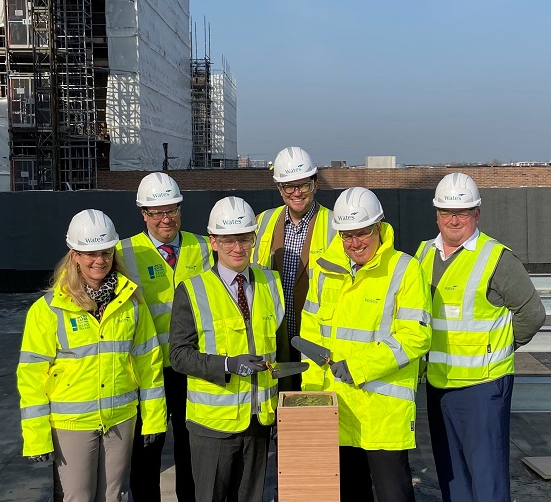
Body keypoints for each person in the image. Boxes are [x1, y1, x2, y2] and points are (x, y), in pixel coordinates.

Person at [17, 209, 166, 502]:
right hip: (72, 425)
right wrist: (36, 437)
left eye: (106, 252)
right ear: (74, 255)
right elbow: (31, 376)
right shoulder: (48, 310)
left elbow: (149, 363)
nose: (100, 261)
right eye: (90, 254)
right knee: (78, 497)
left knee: (115, 496)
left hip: (120, 421)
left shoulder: (131, 304)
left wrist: (154, 420)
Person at [415, 173, 546, 502]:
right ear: (437, 214)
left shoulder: (497, 259)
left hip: (482, 388)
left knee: (486, 479)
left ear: (477, 213)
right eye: (446, 212)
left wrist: (498, 347)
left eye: (463, 212)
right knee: (451, 475)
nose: (454, 220)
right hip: (439, 384)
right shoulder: (422, 255)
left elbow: (532, 314)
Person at [300, 187, 432, 502]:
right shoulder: (324, 270)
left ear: (379, 226)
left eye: (362, 234)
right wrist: (311, 400)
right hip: (338, 409)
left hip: (382, 413)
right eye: (347, 236)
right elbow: (311, 338)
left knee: (393, 495)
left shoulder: (405, 269)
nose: (355, 243)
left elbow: (417, 336)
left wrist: (360, 366)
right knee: (348, 494)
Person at [169, 196, 285, 502]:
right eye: (229, 240)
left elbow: (280, 350)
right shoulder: (192, 289)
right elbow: (178, 355)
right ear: (213, 242)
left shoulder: (271, 282)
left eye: (245, 238)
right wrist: (226, 365)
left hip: (259, 420)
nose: (238, 248)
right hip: (213, 426)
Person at [118, 172, 213, 502]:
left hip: (190, 368)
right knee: (146, 451)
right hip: (148, 371)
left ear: (180, 209)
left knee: (192, 450)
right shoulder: (123, 252)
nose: (165, 219)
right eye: (156, 213)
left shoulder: (204, 247)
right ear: (143, 214)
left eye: (171, 210)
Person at [254, 146, 336, 376]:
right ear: (280, 189)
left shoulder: (335, 226)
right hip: (274, 335)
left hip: (318, 337)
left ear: (315, 184)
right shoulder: (262, 222)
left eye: (303, 184)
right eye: (289, 186)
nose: (296, 192)